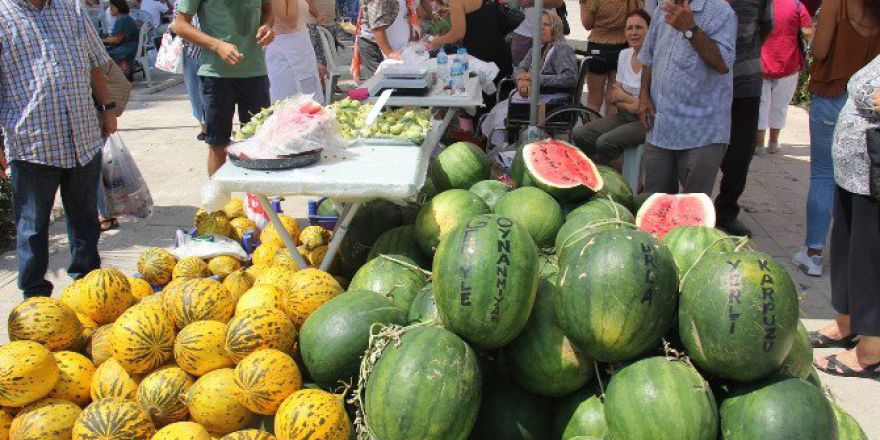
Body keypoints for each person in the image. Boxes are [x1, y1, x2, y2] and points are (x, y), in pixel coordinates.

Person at [0, 0, 118, 298]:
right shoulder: (3, 16)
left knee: (85, 220)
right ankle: (36, 300)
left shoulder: (72, 9)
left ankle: (88, 290)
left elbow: (94, 65)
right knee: (32, 228)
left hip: (82, 136)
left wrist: (107, 108)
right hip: (32, 144)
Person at [792, 0, 880, 276]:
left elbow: (819, 50)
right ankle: (857, 254)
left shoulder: (836, 4)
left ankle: (814, 253)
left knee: (823, 175)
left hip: (832, 94)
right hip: (869, 102)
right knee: (864, 180)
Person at [812, 55, 880, 379]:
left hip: (873, 174)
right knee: (848, 251)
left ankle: (871, 352)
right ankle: (848, 323)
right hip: (854, 172)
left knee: (870, 259)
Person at [637, 0, 736, 195]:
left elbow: (723, 63)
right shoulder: (662, 9)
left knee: (693, 210)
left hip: (701, 133)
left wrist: (690, 29)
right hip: (661, 127)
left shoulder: (721, 12)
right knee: (655, 201)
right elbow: (648, 56)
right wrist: (643, 96)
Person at [173, 0, 275, 176]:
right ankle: (218, 201)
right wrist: (217, 45)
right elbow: (180, 25)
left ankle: (257, 201)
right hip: (216, 75)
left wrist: (267, 26)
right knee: (218, 144)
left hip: (255, 72)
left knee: (258, 143)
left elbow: (268, 10)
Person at [713, 0, 774, 237]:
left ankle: (726, 211)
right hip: (707, 88)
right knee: (698, 153)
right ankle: (692, 209)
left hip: (745, 84)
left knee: (740, 157)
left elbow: (766, 28)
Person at [480, 13, 577, 148]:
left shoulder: (561, 48)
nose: (542, 29)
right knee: (499, 111)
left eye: (547, 25)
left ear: (556, 28)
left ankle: (507, 147)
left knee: (504, 112)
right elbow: (520, 69)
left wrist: (534, 78)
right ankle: (505, 147)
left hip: (554, 101)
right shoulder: (537, 47)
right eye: (539, 25)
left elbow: (569, 79)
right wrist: (522, 81)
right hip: (536, 95)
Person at [572, 9, 650, 164]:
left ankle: (626, 180)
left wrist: (625, 98)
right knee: (580, 134)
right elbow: (614, 97)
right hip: (625, 114)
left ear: (650, 30)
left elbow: (645, 108)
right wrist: (633, 103)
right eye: (629, 28)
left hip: (646, 121)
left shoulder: (654, 59)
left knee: (605, 142)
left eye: (639, 27)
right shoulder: (624, 55)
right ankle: (608, 171)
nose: (633, 32)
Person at [756, 0, 814, 155]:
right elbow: (808, 31)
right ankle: (773, 142)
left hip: (760, 61)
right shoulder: (796, 5)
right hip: (788, 62)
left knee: (760, 104)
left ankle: (759, 145)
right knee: (780, 105)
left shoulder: (758, 3)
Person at [427, 0, 513, 90]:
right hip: (501, 53)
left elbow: (458, 34)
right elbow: (479, 13)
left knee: (483, 99)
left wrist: (437, 41)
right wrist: (454, 12)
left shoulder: (457, 1)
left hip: (482, 59)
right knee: (503, 98)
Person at [581, 0, 641, 114]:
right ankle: (608, 129)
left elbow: (587, 24)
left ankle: (592, 130)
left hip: (598, 47)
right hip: (622, 47)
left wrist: (582, 3)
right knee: (613, 98)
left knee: (593, 101)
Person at [266, 0, 324, 103]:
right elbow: (289, 22)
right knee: (287, 104)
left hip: (302, 51)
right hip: (284, 53)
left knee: (309, 105)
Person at [353, 0, 419, 79]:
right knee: (379, 85)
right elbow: (377, 26)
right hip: (376, 46)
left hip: (394, 47)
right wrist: (390, 52)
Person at [174, 0, 206, 140]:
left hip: (212, 53)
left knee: (212, 92)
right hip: (191, 52)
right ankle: (204, 126)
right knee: (194, 92)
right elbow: (178, 25)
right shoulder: (180, 3)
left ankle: (212, 124)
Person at [511, 0, 564, 66]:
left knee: (551, 69)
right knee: (518, 69)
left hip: (548, 31)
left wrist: (532, 2)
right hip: (521, 32)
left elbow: (558, 2)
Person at [102, 0, 141, 73]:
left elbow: (117, 40)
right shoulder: (121, 18)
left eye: (112, 7)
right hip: (128, 45)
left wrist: (101, 40)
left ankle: (122, 73)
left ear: (118, 8)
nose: (110, 9)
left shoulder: (124, 19)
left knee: (106, 54)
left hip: (130, 47)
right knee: (105, 51)